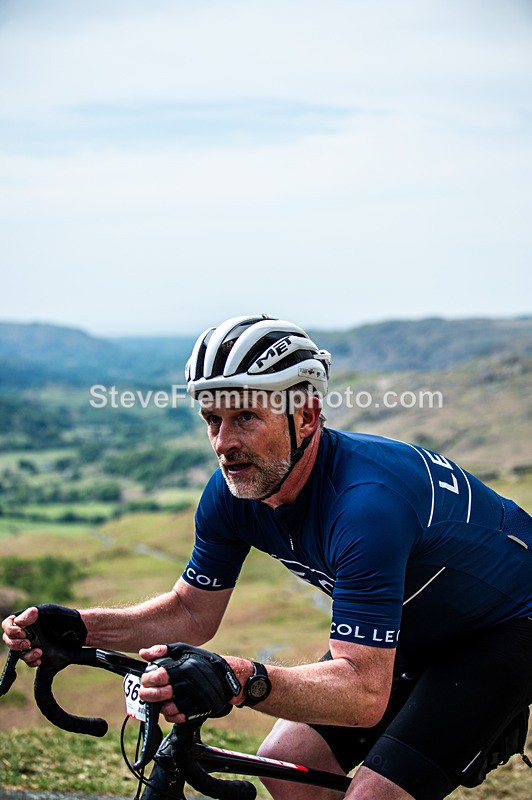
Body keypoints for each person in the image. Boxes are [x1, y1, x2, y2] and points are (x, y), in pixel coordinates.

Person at [3, 313, 532, 800]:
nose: (223, 442)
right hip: (413, 625)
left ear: (306, 416)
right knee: (284, 763)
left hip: (505, 628)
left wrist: (241, 678)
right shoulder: (233, 494)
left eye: (245, 419)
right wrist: (79, 626)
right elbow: (192, 612)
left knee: (377, 795)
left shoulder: (367, 505)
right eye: (212, 420)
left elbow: (364, 692)